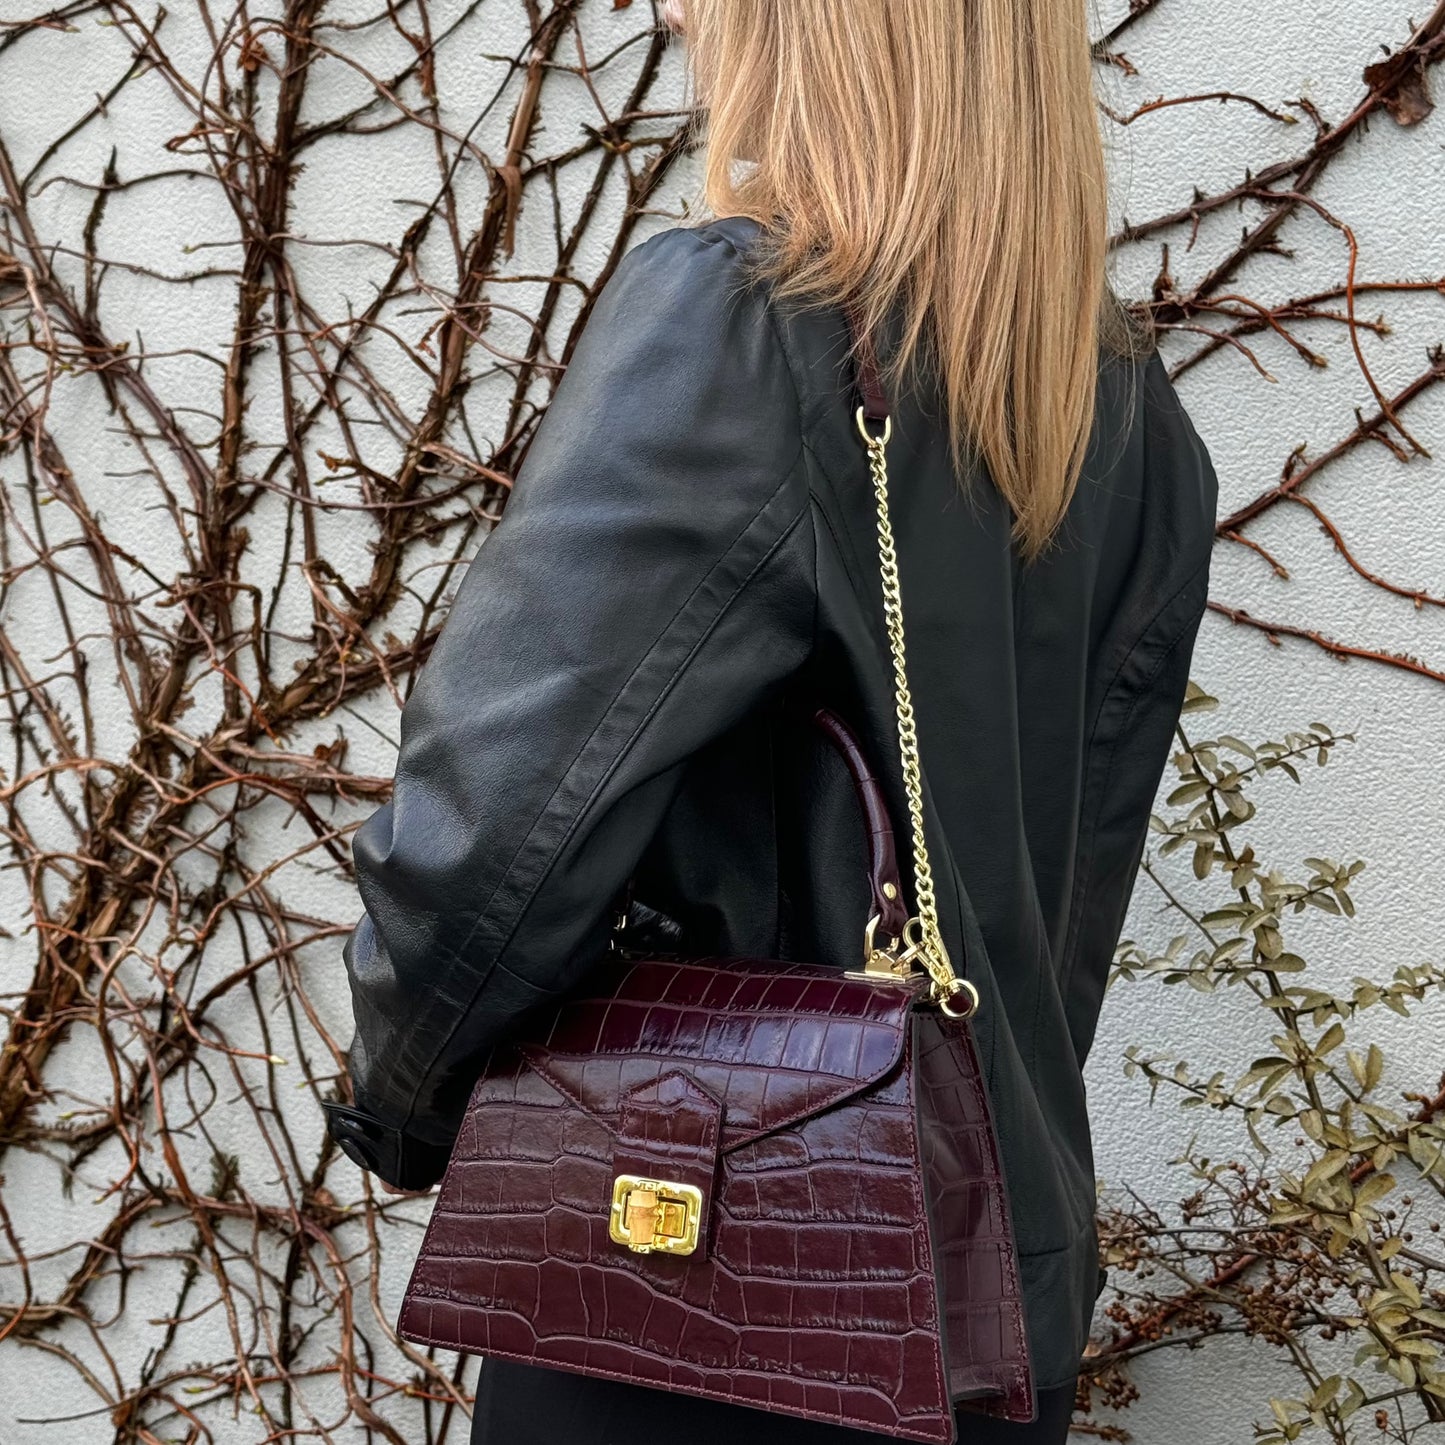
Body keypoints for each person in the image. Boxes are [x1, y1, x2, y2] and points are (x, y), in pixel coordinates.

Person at [326, 1, 1218, 1441]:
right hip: (985, 1310)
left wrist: (403, 1100)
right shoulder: (1129, 420)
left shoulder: (744, 321)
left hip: (692, 1280)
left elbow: (490, 842)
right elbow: (1047, 944)